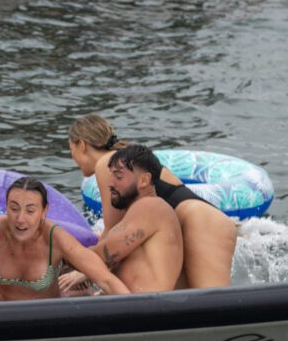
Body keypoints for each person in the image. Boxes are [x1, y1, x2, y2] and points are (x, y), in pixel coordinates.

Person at [68, 114, 238, 288]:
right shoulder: (126, 160)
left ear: (81, 145)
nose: (72, 157)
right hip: (195, 222)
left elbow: (113, 229)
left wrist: (83, 269)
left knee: (210, 304)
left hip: (201, 222)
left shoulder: (108, 163)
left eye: (70, 149)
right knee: (189, 303)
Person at [0, 176, 130, 301]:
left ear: (44, 211)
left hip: (45, 317)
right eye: (14, 209)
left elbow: (104, 279)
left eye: (30, 211)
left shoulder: (56, 237)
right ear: (6, 207)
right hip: (0, 313)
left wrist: (138, 309)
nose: (20, 218)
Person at [90, 144, 183, 292]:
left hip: (145, 309)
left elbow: (103, 254)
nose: (110, 183)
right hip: (139, 305)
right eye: (111, 175)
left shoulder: (150, 206)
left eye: (118, 176)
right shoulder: (140, 212)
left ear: (144, 180)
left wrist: (61, 250)